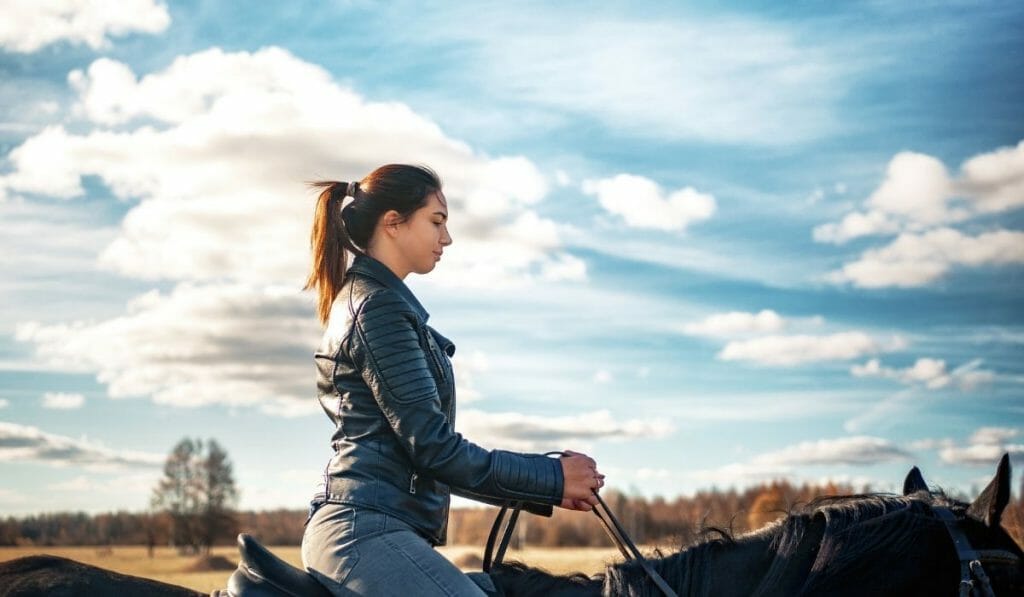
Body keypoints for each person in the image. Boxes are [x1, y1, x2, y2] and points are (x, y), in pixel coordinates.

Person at [301, 164, 605, 596]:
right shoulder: (379, 310)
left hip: (383, 530)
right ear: (393, 223)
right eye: (437, 222)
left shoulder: (380, 304)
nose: (446, 238)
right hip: (363, 535)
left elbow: (429, 453)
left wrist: (550, 487)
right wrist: (552, 478)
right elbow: (435, 449)